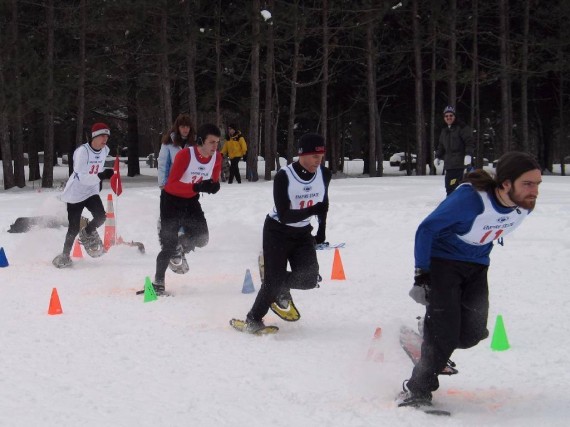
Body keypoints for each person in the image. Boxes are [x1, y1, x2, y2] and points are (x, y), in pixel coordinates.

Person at [397, 151, 542, 408]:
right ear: (506, 183)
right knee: (446, 335)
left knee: (473, 333)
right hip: (443, 264)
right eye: (527, 184)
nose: (534, 191)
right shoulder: (470, 199)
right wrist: (422, 274)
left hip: (477, 267)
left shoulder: (524, 206)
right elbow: (426, 228)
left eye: (537, 184)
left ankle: (428, 332)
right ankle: (416, 391)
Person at [240, 133, 331, 333]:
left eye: (322, 155)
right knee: (273, 281)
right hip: (277, 231)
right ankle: (253, 319)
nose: (319, 160)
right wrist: (311, 211)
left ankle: (279, 284)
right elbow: (284, 215)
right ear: (302, 155)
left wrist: (321, 231)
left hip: (303, 234)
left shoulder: (324, 174)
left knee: (309, 279)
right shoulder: (284, 176)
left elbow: (324, 204)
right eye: (315, 156)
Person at [149, 123, 223, 295]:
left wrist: (214, 186)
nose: (215, 146)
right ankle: (158, 283)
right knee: (168, 245)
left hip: (191, 202)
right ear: (200, 141)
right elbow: (171, 185)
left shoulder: (217, 157)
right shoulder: (185, 155)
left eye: (217, 142)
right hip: (171, 201)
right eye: (211, 142)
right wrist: (197, 187)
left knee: (202, 239)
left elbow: (213, 180)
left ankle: (180, 245)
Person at [52, 123, 115, 268]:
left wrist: (105, 173)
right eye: (102, 136)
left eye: (107, 136)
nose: (105, 139)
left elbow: (97, 168)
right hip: (76, 193)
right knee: (73, 227)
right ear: (94, 136)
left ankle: (87, 232)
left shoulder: (105, 150)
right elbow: (81, 176)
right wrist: (101, 175)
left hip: (91, 191)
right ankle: (65, 255)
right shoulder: (82, 152)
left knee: (101, 217)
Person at [435, 106, 474, 195]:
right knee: (449, 188)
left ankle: (460, 206)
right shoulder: (444, 130)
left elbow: (469, 142)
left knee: (458, 188)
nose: (449, 117)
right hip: (449, 166)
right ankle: (451, 205)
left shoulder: (462, 128)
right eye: (446, 116)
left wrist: (468, 155)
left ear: (455, 116)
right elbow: (441, 146)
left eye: (451, 115)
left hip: (461, 165)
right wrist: (437, 156)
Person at [158, 113, 195, 189]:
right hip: (173, 183)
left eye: (187, 127)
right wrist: (163, 183)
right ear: (177, 128)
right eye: (182, 127)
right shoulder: (168, 143)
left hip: (190, 184)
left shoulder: (195, 142)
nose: (185, 129)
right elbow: (163, 164)